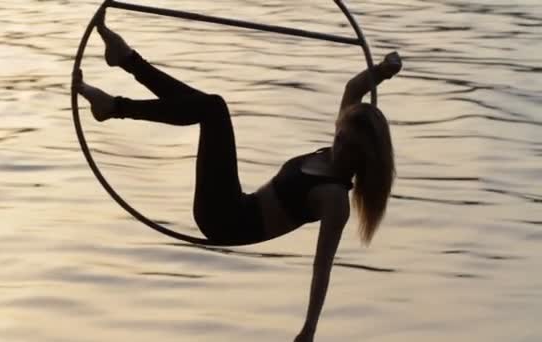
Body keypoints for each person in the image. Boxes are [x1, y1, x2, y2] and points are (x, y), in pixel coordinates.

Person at [73, 9, 400, 342]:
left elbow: (322, 268)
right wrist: (385, 70)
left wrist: (308, 330)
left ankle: (116, 101)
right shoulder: (335, 149)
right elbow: (354, 87)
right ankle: (124, 64)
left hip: (224, 220)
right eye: (339, 135)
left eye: (346, 145)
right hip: (233, 202)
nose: (337, 142)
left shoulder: (334, 200)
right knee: (208, 107)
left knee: (213, 109)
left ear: (360, 157)